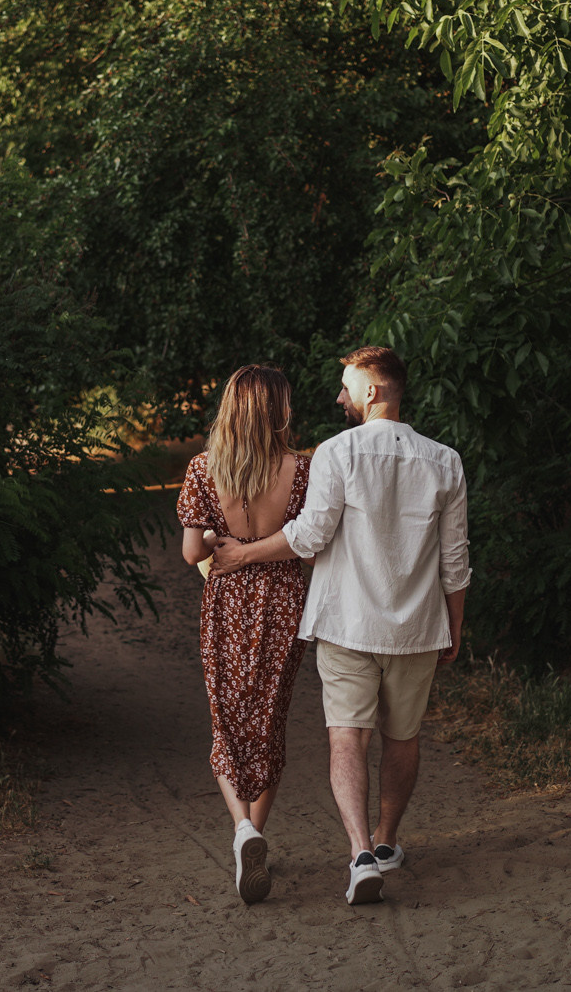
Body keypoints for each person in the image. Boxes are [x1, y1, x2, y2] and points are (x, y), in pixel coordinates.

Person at [209, 345, 468, 906]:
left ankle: (358, 854)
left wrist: (242, 557)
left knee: (346, 737)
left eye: (346, 386)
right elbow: (455, 558)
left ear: (372, 391)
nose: (338, 397)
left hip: (348, 623)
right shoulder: (445, 461)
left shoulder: (336, 452)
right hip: (418, 628)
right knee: (403, 737)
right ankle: (385, 840)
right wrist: (455, 622)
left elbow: (309, 535)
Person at [177, 364, 312, 905]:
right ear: (278, 409)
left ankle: (243, 831)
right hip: (282, 604)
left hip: (227, 604)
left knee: (228, 722)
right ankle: (256, 829)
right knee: (269, 722)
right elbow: (309, 542)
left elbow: (192, 554)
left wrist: (215, 538)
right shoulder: (300, 471)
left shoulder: (203, 468)